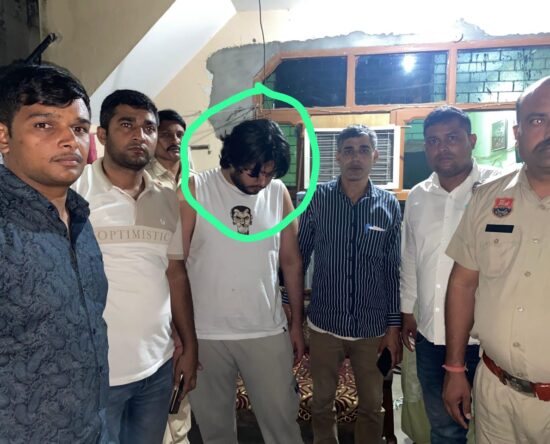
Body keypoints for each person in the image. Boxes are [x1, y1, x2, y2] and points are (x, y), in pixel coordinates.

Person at [73, 90, 198, 444]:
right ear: (102, 134)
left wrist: (190, 346)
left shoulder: (166, 199)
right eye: (126, 124)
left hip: (156, 367)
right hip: (96, 372)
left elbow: (175, 274)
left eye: (148, 128)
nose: (139, 135)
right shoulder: (74, 191)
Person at [0, 63, 109, 443]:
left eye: (78, 128)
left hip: (93, 425)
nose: (69, 140)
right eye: (44, 125)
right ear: (4, 136)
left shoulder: (79, 218)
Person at [180, 119, 305, 444]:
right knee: (215, 431)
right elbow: (175, 265)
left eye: (270, 173)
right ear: (233, 158)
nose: (262, 181)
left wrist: (296, 324)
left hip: (266, 330)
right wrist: (178, 333)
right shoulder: (195, 189)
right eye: (254, 173)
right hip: (205, 333)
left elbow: (291, 261)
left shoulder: (277, 193)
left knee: (283, 426)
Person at [443, 76, 550, 443]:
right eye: (538, 120)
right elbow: (462, 284)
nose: (548, 131)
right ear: (518, 134)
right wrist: (455, 367)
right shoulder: (487, 199)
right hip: (495, 393)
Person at [400, 106, 501, 444]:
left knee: (492, 429)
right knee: (444, 428)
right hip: (431, 337)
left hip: (485, 339)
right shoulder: (418, 195)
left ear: (472, 140)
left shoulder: (498, 188)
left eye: (452, 138)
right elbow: (410, 256)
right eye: (433, 141)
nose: (442, 147)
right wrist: (407, 310)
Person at [298, 124, 402, 443]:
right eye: (348, 151)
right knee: (321, 403)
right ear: (337, 156)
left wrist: (393, 328)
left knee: (372, 405)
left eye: (363, 150)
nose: (356, 158)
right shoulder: (317, 199)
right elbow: (298, 257)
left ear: (375, 156)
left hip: (372, 328)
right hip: (324, 324)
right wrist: (291, 309)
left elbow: (391, 270)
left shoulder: (389, 205)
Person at [146, 109, 189, 191]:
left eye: (180, 135)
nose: (175, 141)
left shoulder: (195, 179)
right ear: (153, 139)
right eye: (166, 135)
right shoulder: (142, 179)